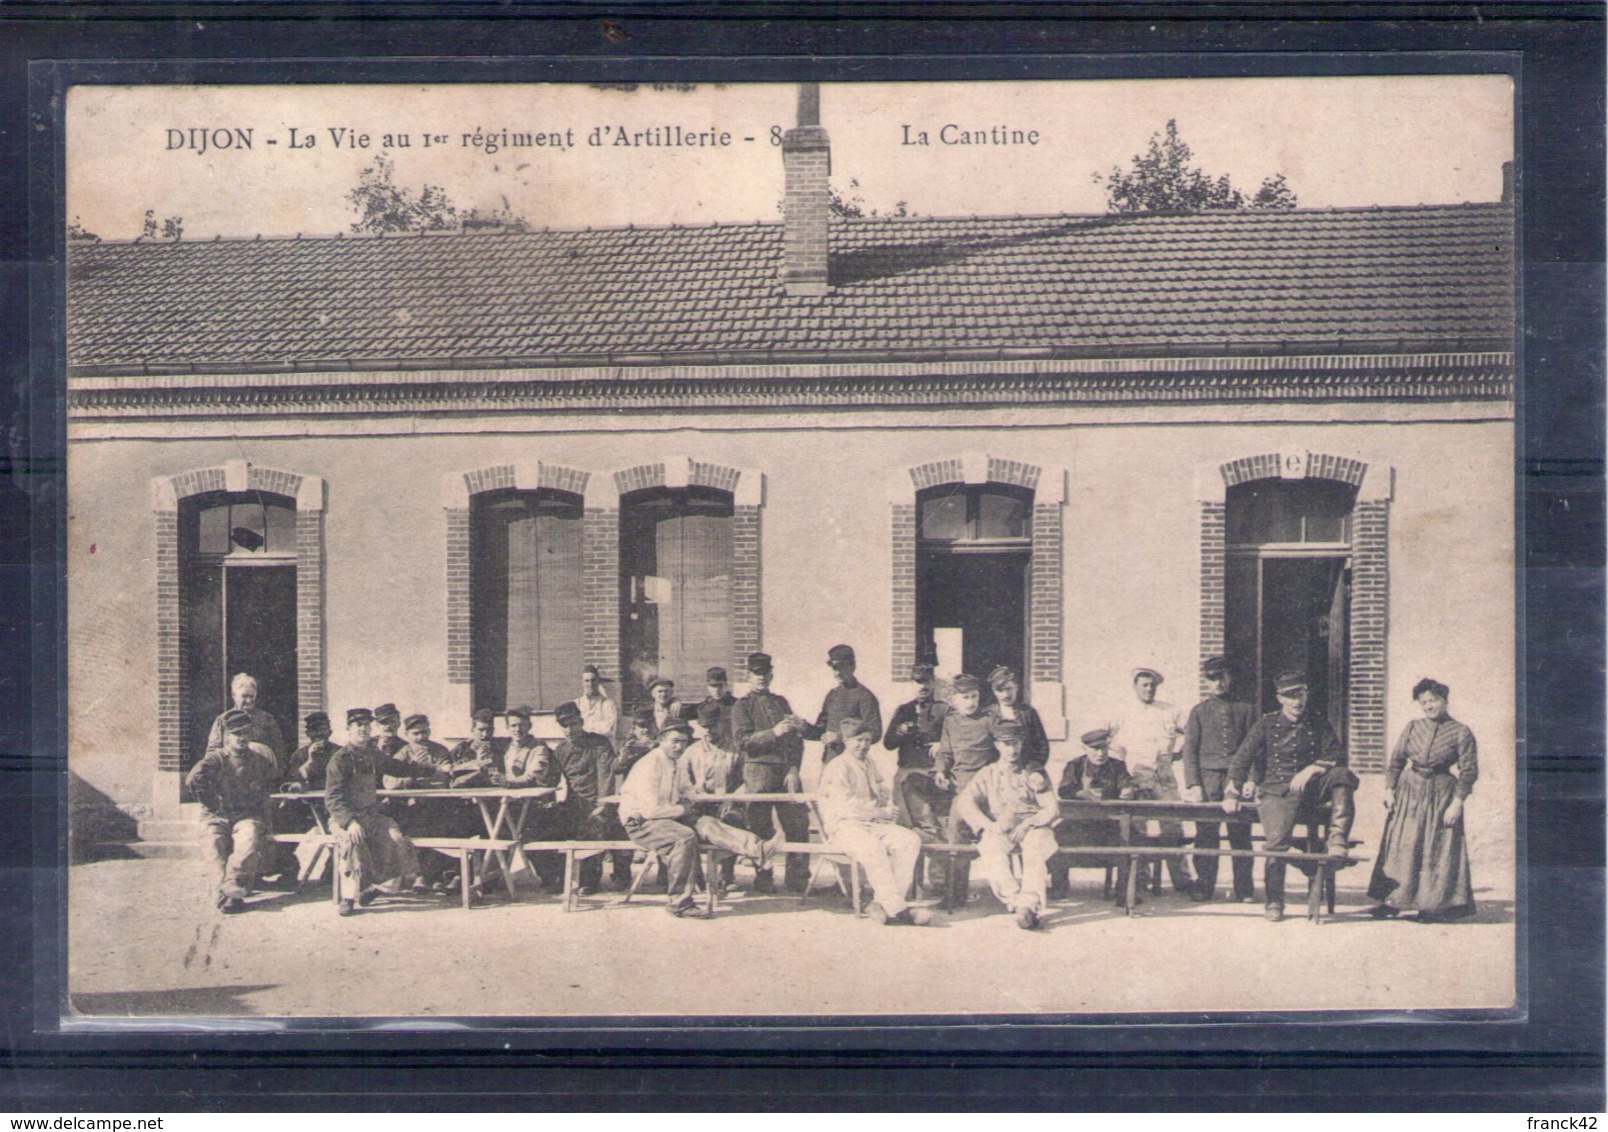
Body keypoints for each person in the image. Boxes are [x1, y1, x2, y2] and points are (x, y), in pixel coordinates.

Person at [1226, 671, 1359, 923]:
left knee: (1343, 775)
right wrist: (1232, 792)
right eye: (1290, 696)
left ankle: (1338, 837)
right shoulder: (1266, 724)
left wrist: (1312, 769)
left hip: (1309, 786)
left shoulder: (1317, 721)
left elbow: (1336, 753)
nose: (1297, 701)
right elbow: (1242, 759)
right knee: (1276, 843)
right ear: (1280, 699)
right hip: (1276, 789)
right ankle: (1274, 901)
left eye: (1301, 694)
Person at [618, 721, 785, 917]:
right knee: (685, 837)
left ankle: (759, 849)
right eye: (674, 741)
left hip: (669, 816)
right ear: (661, 741)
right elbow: (651, 811)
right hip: (641, 823)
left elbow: (688, 789)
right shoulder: (650, 765)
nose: (679, 746)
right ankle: (679, 903)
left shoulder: (677, 762)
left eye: (683, 742)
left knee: (706, 822)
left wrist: (687, 801)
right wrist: (684, 807)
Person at [1367, 678, 1480, 922]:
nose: (1428, 706)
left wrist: (1457, 802)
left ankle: (1432, 907)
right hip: (1409, 792)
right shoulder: (1412, 727)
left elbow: (1468, 771)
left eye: (1433, 700)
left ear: (1445, 700)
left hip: (1441, 794)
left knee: (1434, 848)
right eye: (1423, 702)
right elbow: (1396, 761)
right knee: (1401, 846)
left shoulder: (1461, 731)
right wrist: (1389, 789)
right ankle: (1392, 902)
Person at [324, 707, 441, 915]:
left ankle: (376, 888)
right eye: (358, 725)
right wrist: (349, 822)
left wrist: (432, 769)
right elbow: (333, 799)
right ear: (348, 729)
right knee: (351, 842)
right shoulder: (339, 759)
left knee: (397, 839)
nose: (363, 729)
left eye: (367, 725)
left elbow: (399, 768)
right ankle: (349, 898)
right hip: (345, 819)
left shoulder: (371, 755)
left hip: (371, 816)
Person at [817, 717, 932, 925]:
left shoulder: (869, 763)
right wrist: (879, 812)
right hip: (843, 826)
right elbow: (845, 806)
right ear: (846, 740)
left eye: (868, 740)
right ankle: (898, 909)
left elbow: (879, 788)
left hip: (871, 824)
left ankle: (882, 903)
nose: (863, 745)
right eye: (858, 740)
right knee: (872, 847)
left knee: (909, 840)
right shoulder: (838, 766)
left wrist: (885, 802)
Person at [953, 719, 1059, 930]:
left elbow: (1052, 808)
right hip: (1003, 827)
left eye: (1016, 743)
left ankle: (1029, 903)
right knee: (989, 846)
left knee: (1035, 848)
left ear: (1022, 744)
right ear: (997, 745)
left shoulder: (1033, 772)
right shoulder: (989, 773)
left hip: (1034, 827)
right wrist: (986, 826)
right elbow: (965, 801)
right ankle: (1017, 902)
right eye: (1007, 743)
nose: (1012, 749)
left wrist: (1030, 823)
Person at [729, 651, 812, 893]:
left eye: (765, 673)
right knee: (760, 827)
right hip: (758, 772)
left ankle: (797, 881)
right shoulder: (741, 706)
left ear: (771, 675)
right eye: (756, 673)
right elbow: (742, 743)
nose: (761, 678)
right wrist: (773, 733)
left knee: (797, 824)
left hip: (786, 772)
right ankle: (763, 878)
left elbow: (796, 739)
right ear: (748, 676)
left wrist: (794, 768)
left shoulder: (781, 702)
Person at [1105, 666, 1191, 895]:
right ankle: (1139, 879)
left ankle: (1181, 879)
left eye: (1152, 685)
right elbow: (1106, 739)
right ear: (1135, 687)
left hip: (1164, 775)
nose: (1149, 689)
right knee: (1137, 827)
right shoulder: (1123, 712)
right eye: (1144, 685)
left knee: (1172, 826)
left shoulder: (1170, 710)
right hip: (1136, 776)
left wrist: (1179, 755)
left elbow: (1193, 734)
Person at [1180, 656, 1259, 903]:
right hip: (1208, 780)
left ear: (1230, 678)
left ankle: (1244, 888)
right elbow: (1189, 750)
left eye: (1222, 677)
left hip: (1237, 779)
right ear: (1206, 682)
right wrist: (1193, 784)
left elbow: (1256, 747)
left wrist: (1251, 779)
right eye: (1213, 679)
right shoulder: (1199, 712)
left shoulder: (1246, 710)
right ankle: (1204, 886)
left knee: (1241, 835)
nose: (1219, 683)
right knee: (1206, 834)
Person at [186, 708, 278, 913]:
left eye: (245, 733)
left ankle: (233, 885)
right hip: (216, 816)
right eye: (237, 734)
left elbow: (268, 790)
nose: (242, 738)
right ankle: (228, 896)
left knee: (249, 839)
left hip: (246, 815)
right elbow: (193, 779)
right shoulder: (216, 759)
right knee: (213, 845)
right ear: (227, 736)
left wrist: (268, 824)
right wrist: (210, 801)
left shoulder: (259, 761)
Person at [931, 673, 998, 908]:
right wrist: (940, 770)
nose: (971, 702)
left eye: (974, 696)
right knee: (954, 836)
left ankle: (1001, 890)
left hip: (985, 787)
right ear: (954, 700)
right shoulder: (951, 721)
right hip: (959, 784)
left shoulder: (990, 719)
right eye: (965, 697)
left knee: (962, 826)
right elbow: (946, 752)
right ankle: (955, 894)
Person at [550, 699, 630, 895]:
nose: (569, 730)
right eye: (564, 726)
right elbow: (554, 779)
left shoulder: (598, 743)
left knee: (600, 827)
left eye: (573, 724)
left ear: (581, 721)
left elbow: (606, 775)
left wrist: (602, 805)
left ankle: (600, 880)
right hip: (573, 804)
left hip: (599, 801)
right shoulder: (561, 750)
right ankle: (563, 878)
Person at [1051, 728, 1137, 904]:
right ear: (1085, 749)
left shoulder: (1117, 766)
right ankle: (1059, 887)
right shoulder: (1074, 765)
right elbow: (1064, 790)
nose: (1101, 754)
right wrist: (1081, 794)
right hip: (1080, 822)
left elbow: (1127, 783)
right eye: (1095, 749)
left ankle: (1124, 892)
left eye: (1104, 749)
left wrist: (1129, 790)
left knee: (1131, 838)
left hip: (1109, 823)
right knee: (1054, 836)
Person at [682, 698, 747, 890]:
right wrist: (693, 795)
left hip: (727, 803)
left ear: (721, 724)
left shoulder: (735, 750)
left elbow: (746, 780)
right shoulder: (691, 752)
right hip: (699, 805)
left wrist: (732, 798)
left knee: (732, 821)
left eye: (712, 726)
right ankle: (696, 878)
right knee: (688, 828)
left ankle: (727, 876)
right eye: (704, 727)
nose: (708, 731)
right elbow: (682, 781)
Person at [883, 663, 951, 843]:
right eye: (918, 682)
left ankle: (935, 871)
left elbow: (955, 738)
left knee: (933, 828)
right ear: (912, 684)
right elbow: (888, 743)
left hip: (930, 775)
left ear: (933, 683)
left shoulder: (943, 710)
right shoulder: (903, 710)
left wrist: (941, 744)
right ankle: (912, 872)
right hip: (905, 772)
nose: (922, 686)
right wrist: (900, 731)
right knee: (904, 828)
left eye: (926, 681)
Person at [798, 644, 882, 766]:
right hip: (830, 761)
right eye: (834, 668)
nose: (837, 673)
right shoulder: (832, 695)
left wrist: (840, 737)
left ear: (852, 667)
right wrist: (804, 727)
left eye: (841, 668)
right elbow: (822, 730)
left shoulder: (865, 696)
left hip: (853, 763)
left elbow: (875, 732)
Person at [204, 672, 286, 771]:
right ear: (234, 695)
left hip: (260, 772)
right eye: (244, 696)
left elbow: (279, 751)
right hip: (231, 772)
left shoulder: (266, 719)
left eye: (251, 696)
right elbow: (213, 750)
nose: (248, 700)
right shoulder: (222, 720)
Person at [984, 667, 1050, 769]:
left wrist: (1035, 769)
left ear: (1017, 688)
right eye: (1000, 690)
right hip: (997, 772)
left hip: (1025, 770)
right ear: (994, 692)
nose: (1006, 694)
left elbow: (1042, 745)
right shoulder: (988, 715)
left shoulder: (1028, 712)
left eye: (1009, 689)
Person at [680, 666, 737, 752]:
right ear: (708, 687)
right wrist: (674, 701)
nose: (716, 689)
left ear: (726, 685)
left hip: (733, 749)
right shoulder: (703, 707)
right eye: (713, 686)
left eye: (720, 685)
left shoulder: (738, 705)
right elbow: (680, 717)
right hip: (710, 750)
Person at [286, 711, 338, 790]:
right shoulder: (299, 755)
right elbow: (293, 781)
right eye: (314, 730)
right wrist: (310, 761)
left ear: (330, 732)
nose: (319, 733)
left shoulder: (339, 752)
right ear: (307, 733)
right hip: (307, 800)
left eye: (323, 729)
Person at [578, 664, 620, 741]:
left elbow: (609, 730)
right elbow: (573, 730)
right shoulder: (577, 704)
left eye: (593, 680)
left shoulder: (608, 704)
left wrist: (584, 727)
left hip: (601, 747)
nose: (590, 684)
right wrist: (598, 726)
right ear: (582, 683)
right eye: (587, 681)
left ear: (598, 681)